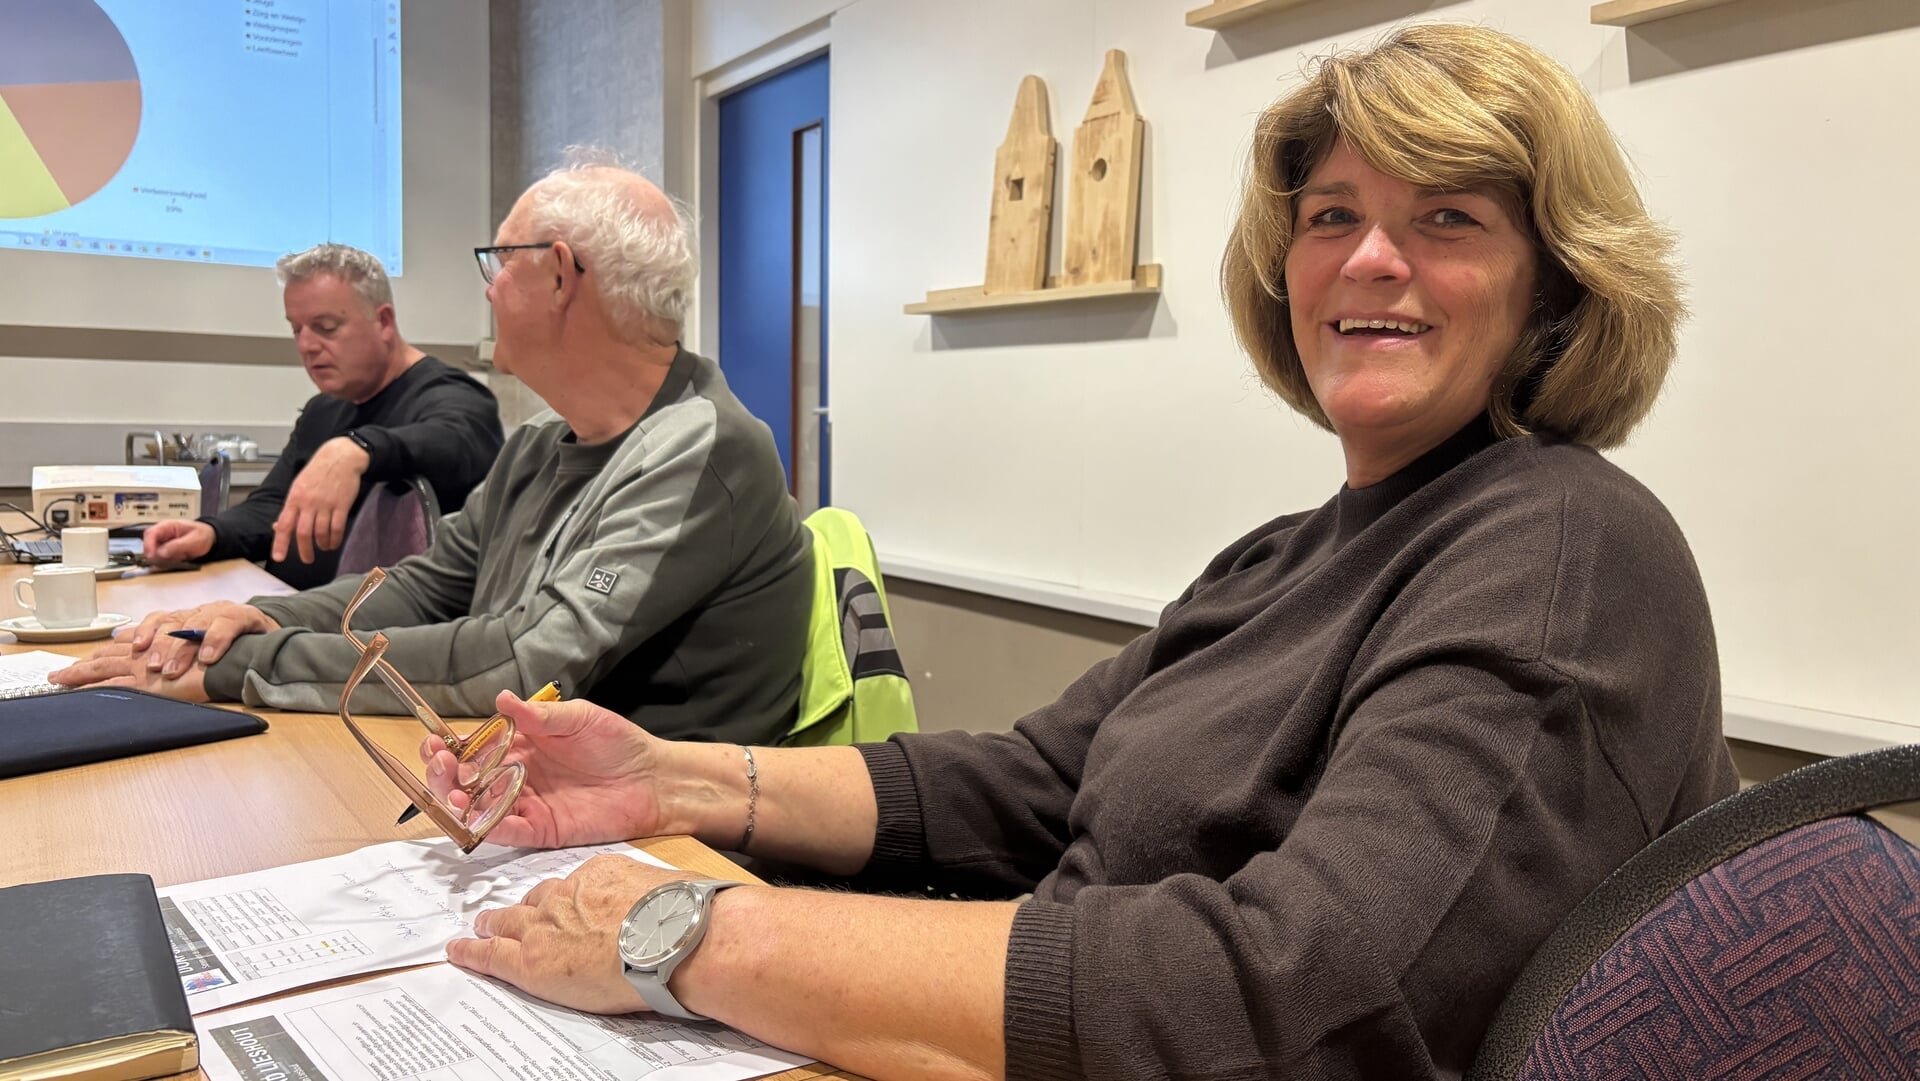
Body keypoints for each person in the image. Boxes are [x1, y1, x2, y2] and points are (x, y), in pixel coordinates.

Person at [413, 25, 1738, 1081]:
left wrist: (688, 933)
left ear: (1556, 280)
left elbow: (1308, 994)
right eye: (1332, 216)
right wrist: (667, 779)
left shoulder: (1564, 548)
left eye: (1448, 218)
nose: (1370, 260)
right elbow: (1032, 781)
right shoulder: (1284, 555)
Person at [53, 154, 813, 748]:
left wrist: (243, 668)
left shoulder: (704, 449)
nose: (488, 291)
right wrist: (256, 620)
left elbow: (523, 664)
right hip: (523, 785)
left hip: (668, 845)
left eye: (498, 263)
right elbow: (422, 589)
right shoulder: (540, 446)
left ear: (558, 275)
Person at [142, 243, 504, 589]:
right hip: (292, 608)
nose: (306, 345)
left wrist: (356, 449)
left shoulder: (454, 396)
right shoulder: (323, 409)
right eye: (296, 329)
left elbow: (457, 440)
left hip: (369, 623)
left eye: (326, 327)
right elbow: (273, 506)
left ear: (383, 322)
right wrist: (212, 533)